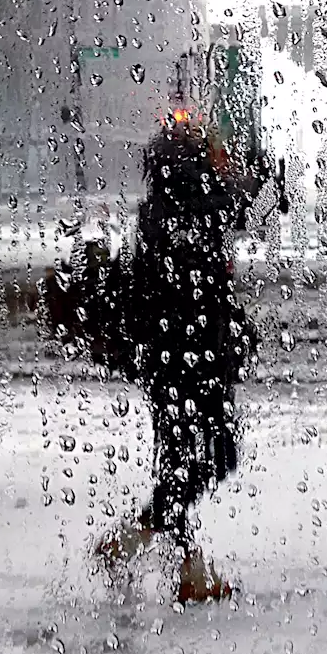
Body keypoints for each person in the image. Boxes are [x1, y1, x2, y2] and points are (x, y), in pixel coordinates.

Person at [94, 119, 250, 603]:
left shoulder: (160, 208)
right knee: (214, 458)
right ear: (193, 162)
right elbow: (242, 210)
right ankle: (132, 539)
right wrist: (253, 180)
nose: (221, 157)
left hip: (169, 360)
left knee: (179, 464)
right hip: (192, 362)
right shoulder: (196, 206)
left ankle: (189, 571)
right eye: (212, 150)